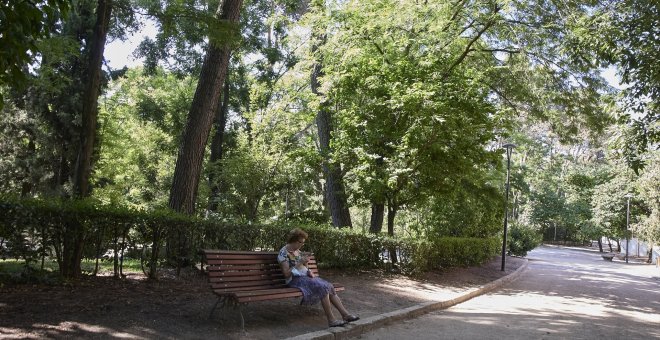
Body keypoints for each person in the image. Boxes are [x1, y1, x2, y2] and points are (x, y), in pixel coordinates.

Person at [278, 228, 359, 328]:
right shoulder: (283, 253)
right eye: (300, 242)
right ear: (293, 240)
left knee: (328, 285)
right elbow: (286, 274)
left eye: (303, 242)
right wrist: (300, 262)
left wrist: (308, 268)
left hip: (305, 277)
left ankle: (345, 315)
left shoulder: (297, 251)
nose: (302, 245)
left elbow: (304, 268)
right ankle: (331, 320)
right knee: (322, 287)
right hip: (295, 280)